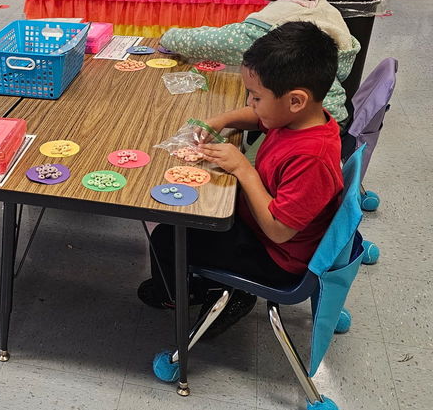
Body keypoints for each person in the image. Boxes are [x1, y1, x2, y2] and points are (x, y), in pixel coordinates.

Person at [139, 22, 344, 335]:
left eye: (256, 97)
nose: (250, 104)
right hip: (259, 226)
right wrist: (221, 120)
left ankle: (182, 295)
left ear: (296, 100)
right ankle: (218, 286)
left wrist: (243, 169)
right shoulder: (298, 119)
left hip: (277, 259)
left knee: (168, 238)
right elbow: (261, 118)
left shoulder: (312, 158)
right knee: (194, 212)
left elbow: (278, 231)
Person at [160, 0, 359, 122]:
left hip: (308, 127)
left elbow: (215, 42)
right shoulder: (320, 8)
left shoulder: (274, 29)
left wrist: (169, 37)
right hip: (330, 114)